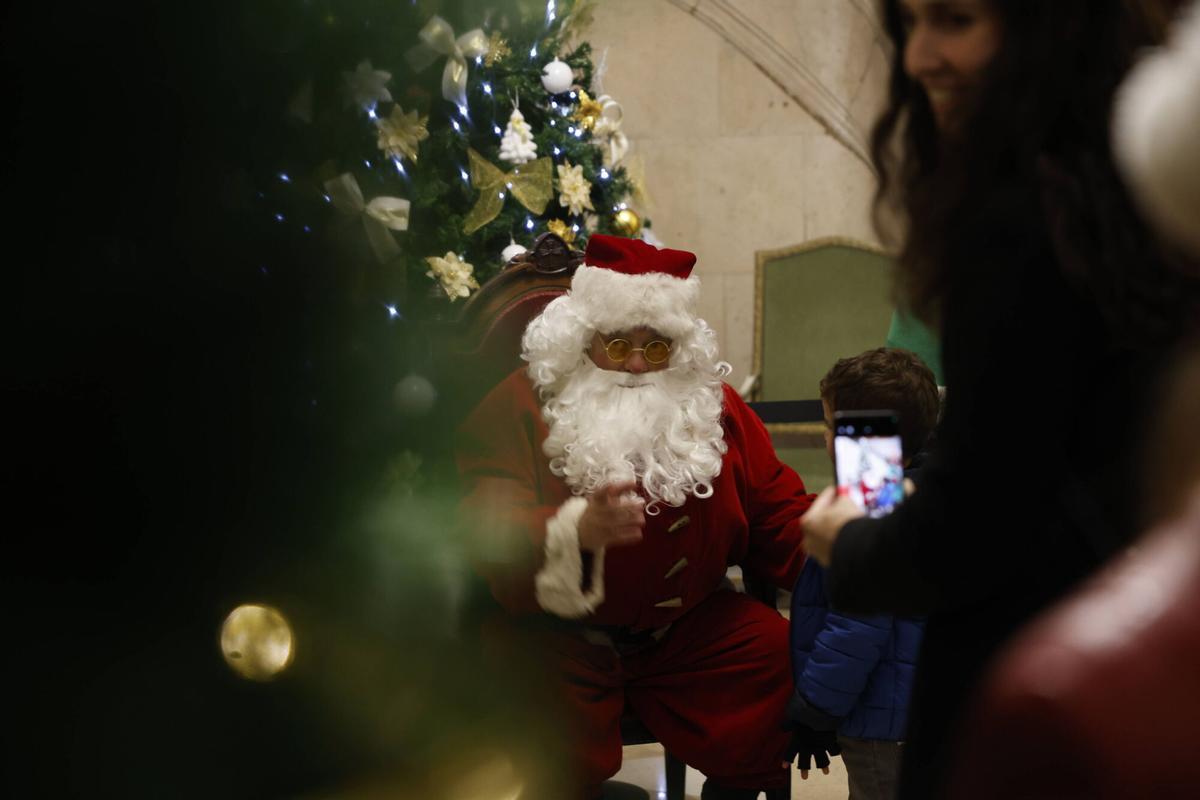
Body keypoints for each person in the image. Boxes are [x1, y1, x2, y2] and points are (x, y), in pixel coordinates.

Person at [799, 1, 1200, 798]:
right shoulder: (1131, 187)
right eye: (908, 23)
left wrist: (849, 542)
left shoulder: (1020, 216)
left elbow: (974, 530)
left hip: (1028, 673)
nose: (918, 57)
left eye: (954, 18)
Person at [456, 234, 814, 800]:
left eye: (657, 348)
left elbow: (776, 510)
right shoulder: (519, 405)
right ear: (582, 338)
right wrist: (571, 531)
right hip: (557, 639)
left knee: (776, 656)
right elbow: (484, 526)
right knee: (515, 713)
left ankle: (738, 792)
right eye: (618, 345)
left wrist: (843, 540)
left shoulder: (713, 408)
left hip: (690, 634)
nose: (637, 366)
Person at [786, 349, 938, 798]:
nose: (828, 437)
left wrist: (815, 708)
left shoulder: (871, 510)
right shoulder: (928, 495)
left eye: (833, 426)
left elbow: (856, 626)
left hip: (881, 724)